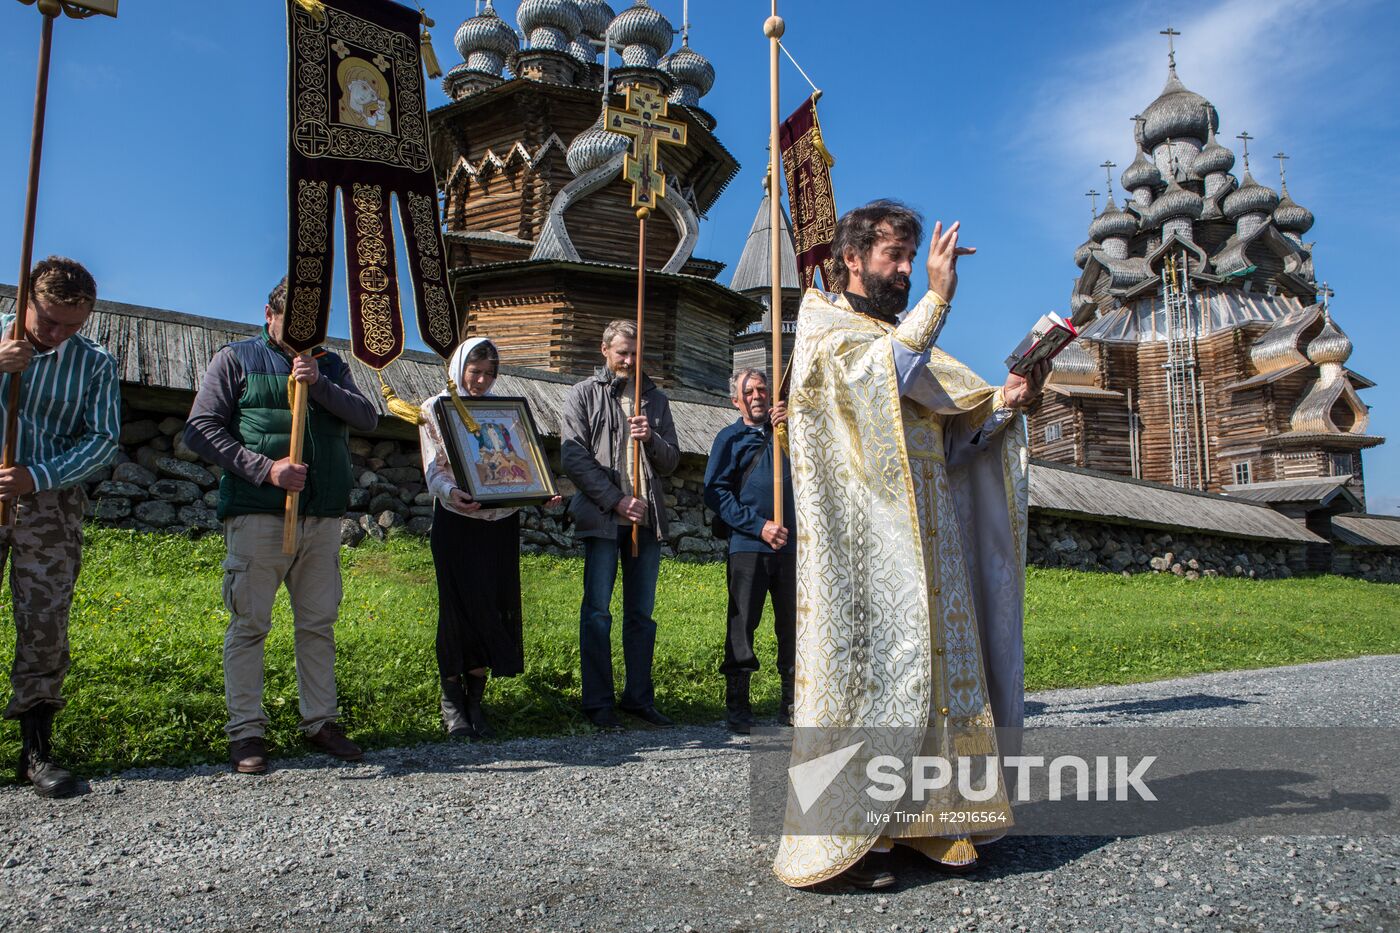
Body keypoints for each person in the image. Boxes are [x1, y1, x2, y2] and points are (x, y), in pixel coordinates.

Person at [772, 201, 1049, 889]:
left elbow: (954, 446)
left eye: (910, 257)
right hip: (866, 550)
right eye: (894, 255)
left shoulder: (902, 342)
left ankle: (932, 820)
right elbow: (878, 377)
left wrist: (1006, 402)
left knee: (935, 684)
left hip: (932, 541)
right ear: (852, 257)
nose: (905, 270)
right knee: (871, 684)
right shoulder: (824, 326)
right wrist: (938, 297)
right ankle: (852, 831)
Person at [184, 276, 379, 775]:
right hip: (259, 513)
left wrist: (320, 383)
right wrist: (264, 469)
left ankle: (321, 721)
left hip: (321, 516)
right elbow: (200, 429)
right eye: (291, 323)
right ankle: (246, 730)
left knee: (318, 623)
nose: (301, 335)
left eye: (311, 325)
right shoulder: (236, 359)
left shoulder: (331, 365)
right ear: (268, 315)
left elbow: (367, 418)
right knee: (250, 624)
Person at [0, 257, 119, 797]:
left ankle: (35, 751)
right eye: (48, 321)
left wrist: (38, 476)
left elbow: (103, 440)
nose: (56, 334)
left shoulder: (95, 364)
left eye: (72, 325)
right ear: (25, 299)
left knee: (44, 622)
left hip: (48, 505)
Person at [419, 337, 560, 740]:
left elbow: (524, 461)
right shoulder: (436, 408)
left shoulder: (504, 413)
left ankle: (476, 702)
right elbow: (434, 467)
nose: (481, 380)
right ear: (458, 368)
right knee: (457, 610)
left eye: (489, 373)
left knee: (491, 609)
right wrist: (451, 492)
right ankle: (452, 702)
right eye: (475, 372)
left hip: (500, 523)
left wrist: (540, 490)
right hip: (458, 521)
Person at [561, 319, 680, 732]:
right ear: (605, 351)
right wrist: (616, 500)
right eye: (622, 353)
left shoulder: (655, 400)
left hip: (645, 520)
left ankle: (638, 698)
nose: (629, 360)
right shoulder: (583, 394)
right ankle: (598, 702)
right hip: (603, 519)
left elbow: (671, 461)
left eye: (635, 353)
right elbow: (574, 458)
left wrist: (652, 439)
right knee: (597, 611)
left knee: (641, 615)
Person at [702, 368, 795, 734]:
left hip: (791, 546)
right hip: (749, 546)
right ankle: (739, 707)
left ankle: (792, 702)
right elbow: (716, 491)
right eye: (749, 392)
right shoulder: (729, 438)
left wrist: (792, 426)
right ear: (736, 401)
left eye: (761, 390)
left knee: (793, 625)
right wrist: (759, 526)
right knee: (742, 623)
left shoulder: (789, 432)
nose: (757, 396)